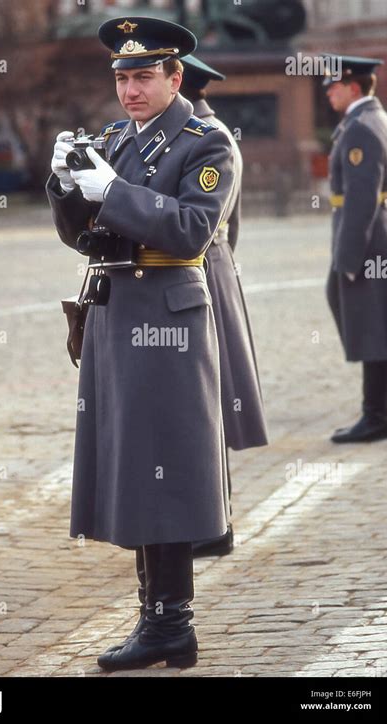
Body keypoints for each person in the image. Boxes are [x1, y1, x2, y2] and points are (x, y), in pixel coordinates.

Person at [46, 17, 235, 671]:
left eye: (143, 77)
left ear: (175, 76)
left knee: (168, 470)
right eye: (122, 78)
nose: (130, 90)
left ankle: (171, 624)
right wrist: (67, 187)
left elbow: (189, 231)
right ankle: (155, 620)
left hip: (168, 317)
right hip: (118, 311)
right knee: (135, 467)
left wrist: (113, 191)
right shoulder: (118, 141)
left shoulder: (207, 144)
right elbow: (91, 236)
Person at [180, 55, 268, 558]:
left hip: (204, 267)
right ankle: (211, 518)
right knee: (205, 396)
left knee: (206, 395)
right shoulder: (207, 130)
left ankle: (214, 523)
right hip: (214, 263)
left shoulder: (206, 136)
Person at [322, 54, 387, 443]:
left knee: (371, 327)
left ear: (352, 87)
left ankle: (376, 416)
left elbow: (360, 199)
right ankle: (386, 409)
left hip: (366, 243)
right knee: (379, 324)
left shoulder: (360, 128)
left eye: (333, 86)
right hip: (380, 237)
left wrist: (347, 258)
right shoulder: (373, 120)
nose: (328, 93)